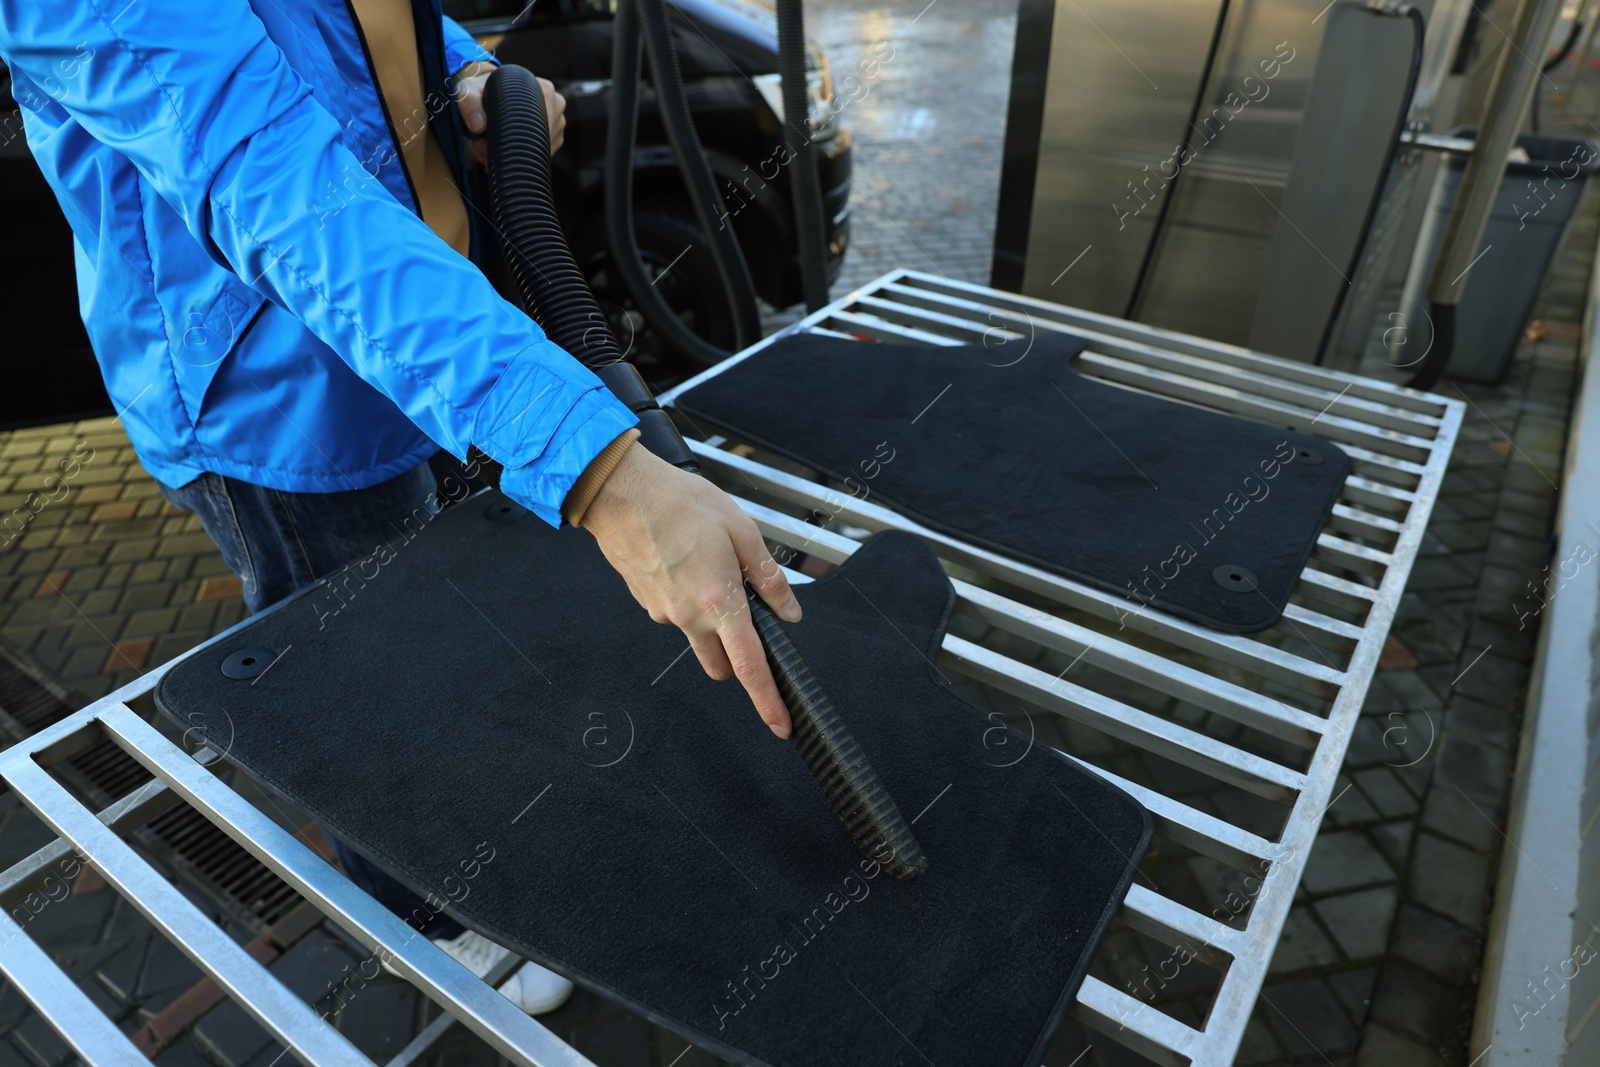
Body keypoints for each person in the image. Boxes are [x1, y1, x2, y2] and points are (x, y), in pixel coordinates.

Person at [0, 0, 801, 1016]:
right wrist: (604, 474)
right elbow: (279, 190)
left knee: (428, 627)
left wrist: (461, 69)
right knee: (357, 682)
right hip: (275, 401)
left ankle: (462, 815)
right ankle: (423, 918)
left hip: (410, 343)